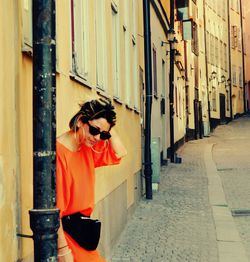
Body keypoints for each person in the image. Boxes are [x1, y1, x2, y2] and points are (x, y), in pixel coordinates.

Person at [56, 98, 127, 261]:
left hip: (82, 232)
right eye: (94, 130)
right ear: (81, 121)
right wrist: (63, 251)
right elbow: (56, 211)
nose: (97, 138)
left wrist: (106, 126)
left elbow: (120, 152)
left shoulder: (88, 147)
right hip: (66, 235)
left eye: (103, 135)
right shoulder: (60, 153)